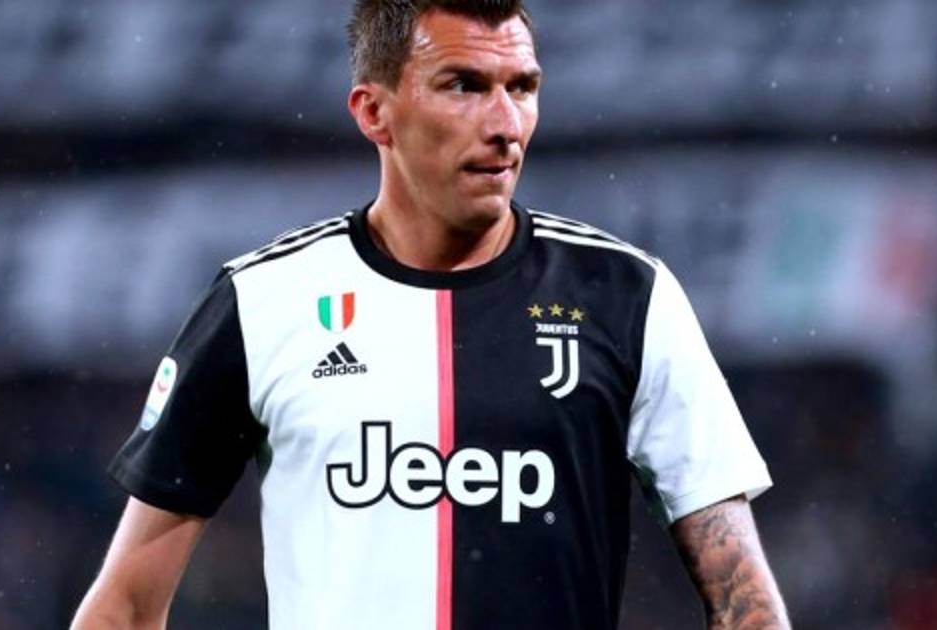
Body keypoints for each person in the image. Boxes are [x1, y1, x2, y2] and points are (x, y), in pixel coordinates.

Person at [71, 1, 790, 628]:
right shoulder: (264, 302)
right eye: (464, 86)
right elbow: (125, 607)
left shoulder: (627, 297)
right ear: (373, 112)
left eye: (523, 87)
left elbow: (747, 604)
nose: (505, 124)